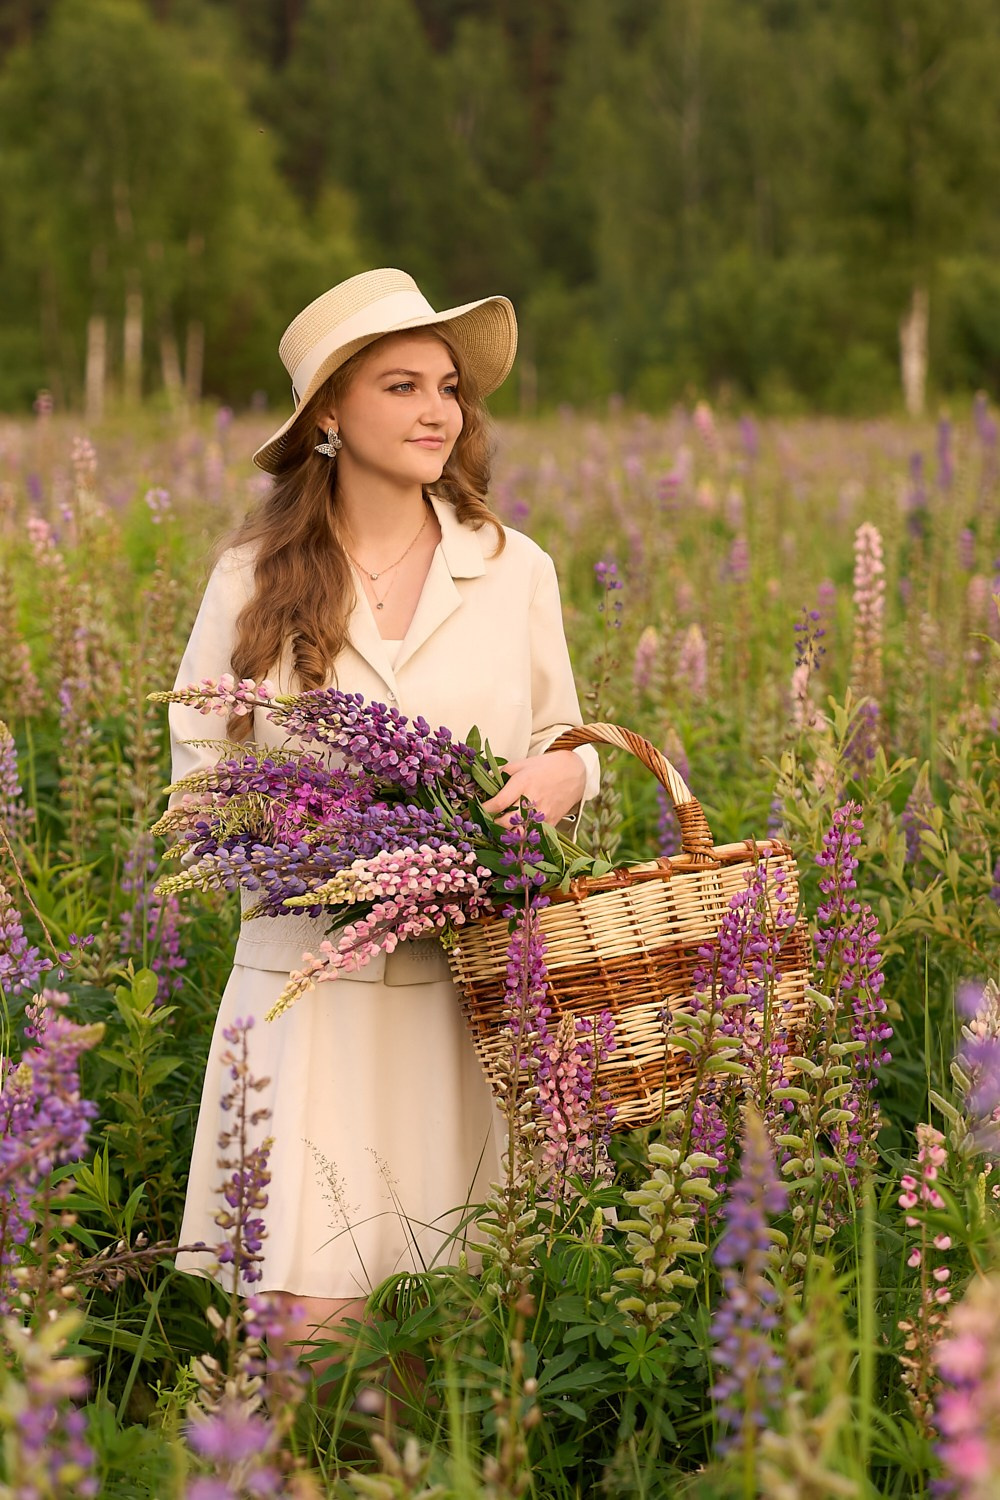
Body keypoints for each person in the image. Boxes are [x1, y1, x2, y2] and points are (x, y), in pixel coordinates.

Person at [169, 267, 599, 1355]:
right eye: (400, 385)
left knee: (435, 1344)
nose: (435, 412)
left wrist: (564, 777)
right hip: (308, 1001)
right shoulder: (250, 581)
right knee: (308, 1346)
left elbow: (562, 738)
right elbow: (194, 791)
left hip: (467, 1001)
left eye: (447, 387)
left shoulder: (513, 572)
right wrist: (322, 838)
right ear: (328, 414)